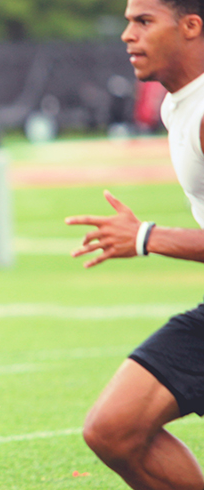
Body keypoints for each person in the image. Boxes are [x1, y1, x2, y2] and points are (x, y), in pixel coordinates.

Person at [66, 1, 204, 488]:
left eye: (144, 21)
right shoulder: (177, 104)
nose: (127, 34)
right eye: (127, 21)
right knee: (113, 431)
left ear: (191, 27)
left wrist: (145, 237)